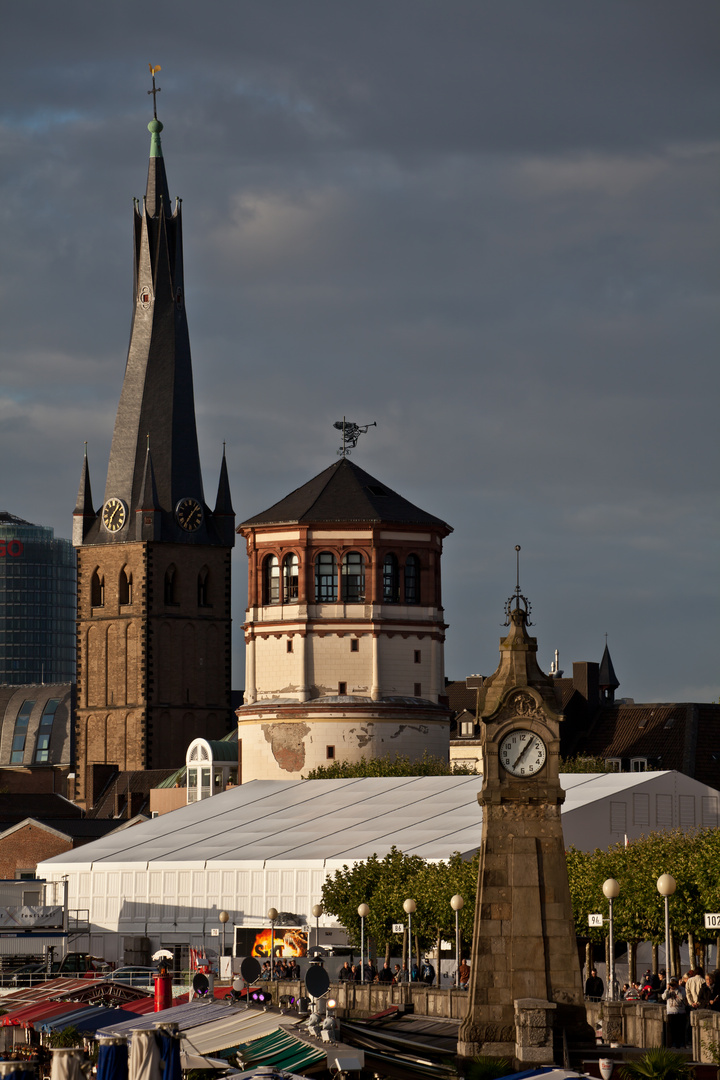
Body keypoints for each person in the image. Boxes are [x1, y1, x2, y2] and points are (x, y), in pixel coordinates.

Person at [662, 976, 686, 1048]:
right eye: (671, 984)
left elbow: (682, 997)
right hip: (670, 1012)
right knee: (670, 1030)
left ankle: (679, 1045)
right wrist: (667, 989)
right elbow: (664, 997)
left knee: (679, 1030)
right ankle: (670, 1045)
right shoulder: (668, 990)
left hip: (680, 1012)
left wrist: (676, 990)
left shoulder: (681, 989)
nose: (673, 986)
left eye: (674, 984)